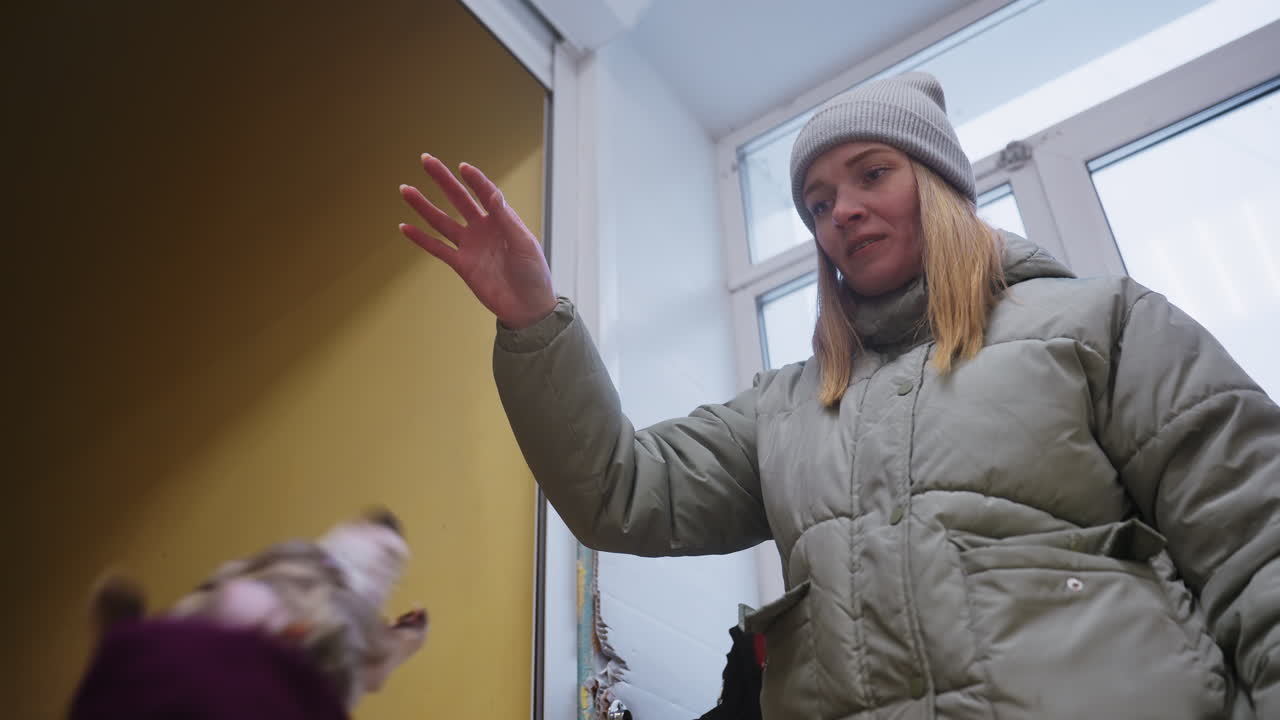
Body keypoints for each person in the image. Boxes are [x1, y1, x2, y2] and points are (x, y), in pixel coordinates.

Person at [399, 72, 1279, 719]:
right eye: (818, 202)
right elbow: (620, 492)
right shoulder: (785, 409)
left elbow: (1258, 547)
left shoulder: (1103, 323)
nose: (840, 213)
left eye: (871, 175)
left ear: (937, 185)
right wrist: (533, 320)